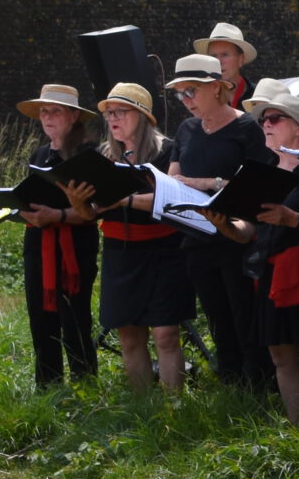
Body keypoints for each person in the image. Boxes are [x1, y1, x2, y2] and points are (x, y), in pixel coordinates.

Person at [219, 80, 299, 428]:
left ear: (298, 127)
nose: (266, 125)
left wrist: (294, 219)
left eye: (274, 118)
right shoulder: (260, 172)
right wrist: (224, 224)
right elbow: (249, 231)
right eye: (263, 120)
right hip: (271, 271)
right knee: (279, 354)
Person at [167, 53, 273, 395]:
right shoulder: (186, 129)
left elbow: (259, 183)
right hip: (197, 235)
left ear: (216, 88)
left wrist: (207, 182)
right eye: (180, 94)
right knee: (217, 318)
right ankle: (232, 386)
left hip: (237, 236)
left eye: (191, 91)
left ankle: (260, 389)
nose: (186, 101)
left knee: (245, 317)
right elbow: (174, 177)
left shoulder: (247, 128)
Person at [91, 82, 191, 393]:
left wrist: (123, 200)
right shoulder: (103, 156)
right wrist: (78, 198)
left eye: (121, 111)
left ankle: (175, 407)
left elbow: (170, 198)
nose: (113, 118)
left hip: (164, 249)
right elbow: (92, 209)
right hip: (120, 251)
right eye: (109, 113)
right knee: (129, 336)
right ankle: (142, 407)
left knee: (166, 334)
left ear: (143, 117)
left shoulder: (168, 152)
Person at [15, 83, 101, 390]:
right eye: (43, 111)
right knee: (40, 319)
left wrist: (59, 215)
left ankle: (86, 385)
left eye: (56, 111)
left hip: (74, 247)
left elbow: (96, 207)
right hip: (38, 243)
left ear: (74, 116)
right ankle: (48, 389)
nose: (48, 117)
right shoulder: (39, 153)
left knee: (74, 320)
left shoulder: (88, 153)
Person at [193, 21, 259, 107]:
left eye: (224, 55)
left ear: (241, 59)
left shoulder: (258, 96)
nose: (218, 61)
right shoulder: (200, 97)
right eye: (213, 56)